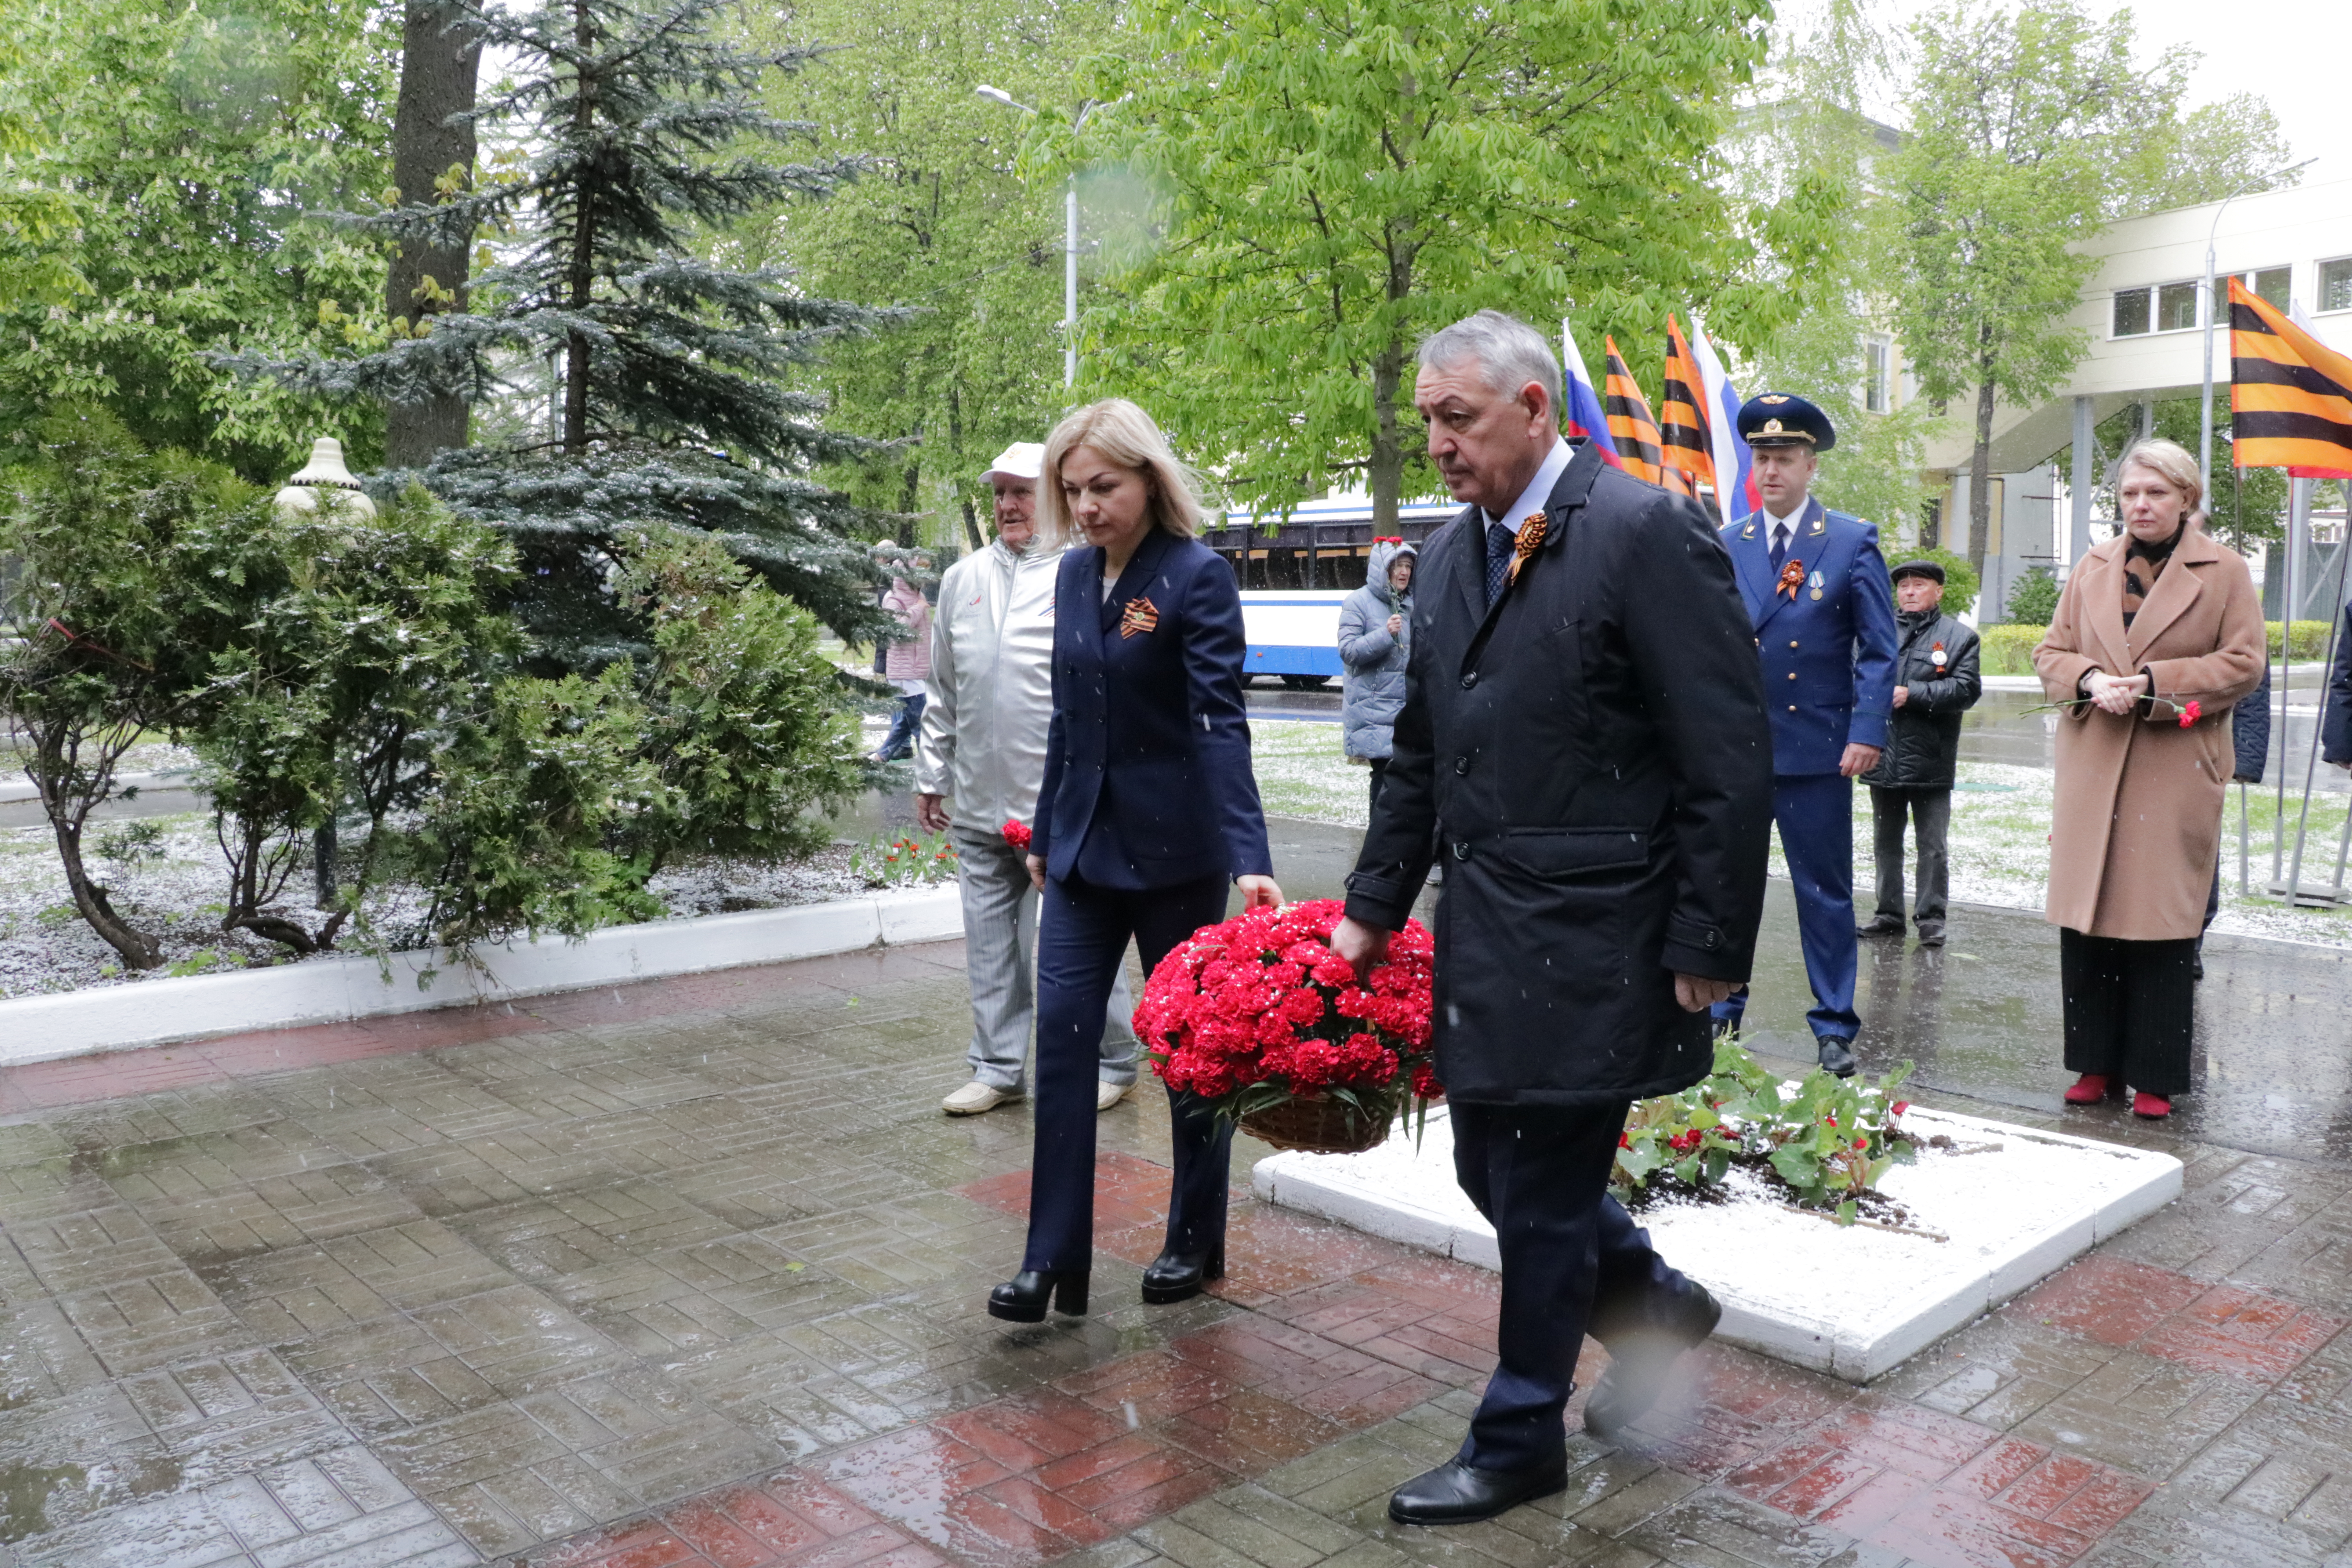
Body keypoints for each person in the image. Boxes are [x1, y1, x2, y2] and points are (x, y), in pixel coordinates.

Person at [1333, 311, 1771, 1527]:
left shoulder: (1642, 531)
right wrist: (1371, 906)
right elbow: (1417, 754)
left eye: (1454, 416)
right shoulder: (1456, 549)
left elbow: (1725, 758)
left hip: (1602, 935)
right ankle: (1657, 1307)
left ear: (1534, 409)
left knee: (1537, 1188)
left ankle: (1518, 1430)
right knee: (1488, 1162)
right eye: (1425, 418)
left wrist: (1703, 945)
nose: (1433, 440)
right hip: (1489, 932)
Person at [989, 398, 1282, 1324]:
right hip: (1078, 854)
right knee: (1064, 1044)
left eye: (1102, 487)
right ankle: (1052, 1260)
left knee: (1192, 1056)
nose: (1084, 507)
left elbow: (1219, 724)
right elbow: (1068, 721)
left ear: (1149, 480)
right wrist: (1044, 831)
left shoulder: (1195, 578)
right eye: (1070, 490)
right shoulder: (1074, 576)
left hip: (1176, 856)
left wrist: (1249, 856)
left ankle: (1194, 1236)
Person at [2032, 439, 2263, 1120]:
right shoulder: (2093, 566)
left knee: (2161, 926)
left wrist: (2157, 685)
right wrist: (2089, 679)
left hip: (2174, 770)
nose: (2141, 505)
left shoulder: (2224, 572)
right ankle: (2095, 1066)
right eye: (2131, 493)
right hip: (2093, 768)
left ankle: (2156, 1074)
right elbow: (2051, 652)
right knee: (2090, 920)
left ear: (2186, 498)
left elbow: (2245, 664)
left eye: (2156, 493)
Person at [916, 443, 1142, 1118]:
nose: (1009, 507)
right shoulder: (963, 578)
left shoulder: (1086, 573)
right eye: (1000, 495)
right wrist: (933, 774)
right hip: (980, 798)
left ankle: (1115, 1060)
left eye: (1022, 493)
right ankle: (997, 1066)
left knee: (1081, 938)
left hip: (1061, 806)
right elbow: (943, 687)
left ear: (1052, 497)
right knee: (989, 941)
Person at [1710, 394, 1898, 1077]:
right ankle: (1721, 1011)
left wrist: (1867, 730)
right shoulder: (1729, 543)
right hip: (1740, 751)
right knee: (1729, 886)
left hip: (1818, 749)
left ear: (1811, 465)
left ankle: (1833, 1025)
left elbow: (1879, 650)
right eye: (1762, 459)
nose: (1771, 472)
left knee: (1824, 892)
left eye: (1784, 459)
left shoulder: (1849, 540)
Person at [1858, 561, 1981, 948]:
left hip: (1931, 757)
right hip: (1883, 754)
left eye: (1919, 585)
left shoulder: (1960, 637)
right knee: (1886, 842)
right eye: (1904, 586)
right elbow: (1856, 677)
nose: (1909, 592)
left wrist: (1912, 694)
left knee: (1932, 846)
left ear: (1939, 592)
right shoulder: (1878, 632)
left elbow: (1966, 690)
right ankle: (1888, 914)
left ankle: (1931, 919)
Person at [1338, 538, 1418, 811]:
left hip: (1407, 714)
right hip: (1376, 714)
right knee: (1386, 779)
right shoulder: (1358, 602)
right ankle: (1380, 845)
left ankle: (1394, 845)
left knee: (1407, 784)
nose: (1404, 572)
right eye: (1397, 565)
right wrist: (1385, 635)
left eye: (1408, 565)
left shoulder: (1412, 603)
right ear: (1382, 570)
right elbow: (1349, 652)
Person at [871, 557, 933, 763]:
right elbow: (899, 629)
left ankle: (881, 756)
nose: (924, 578)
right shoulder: (893, 598)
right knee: (920, 724)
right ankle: (931, 766)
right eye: (920, 572)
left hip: (918, 669)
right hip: (906, 672)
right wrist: (919, 608)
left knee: (908, 721)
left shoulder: (918, 596)